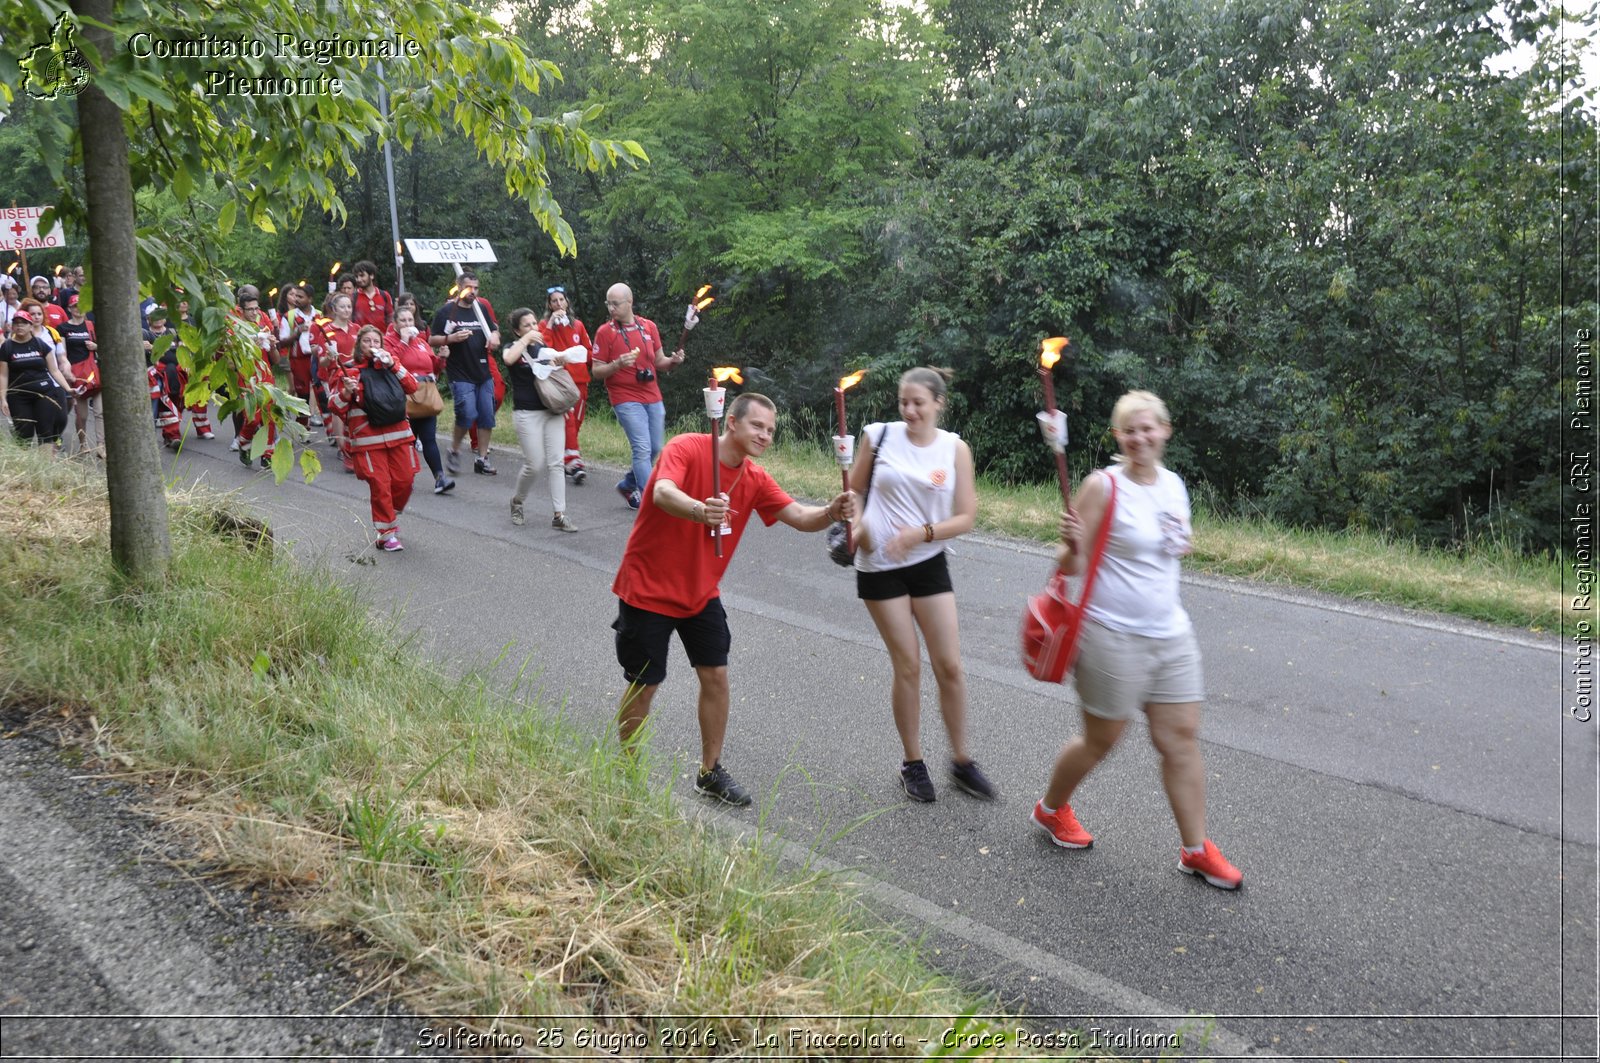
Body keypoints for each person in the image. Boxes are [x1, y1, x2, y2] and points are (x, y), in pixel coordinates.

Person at [1030, 390, 1241, 890]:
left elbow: (1173, 546)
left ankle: (1195, 850)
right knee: (1101, 741)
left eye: (1149, 428)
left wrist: (1177, 540)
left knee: (1180, 739)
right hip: (1111, 635)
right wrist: (1071, 545)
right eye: (1130, 429)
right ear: (1118, 437)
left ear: (1165, 431)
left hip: (1170, 633)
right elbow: (1069, 565)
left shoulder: (1173, 485)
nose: (1140, 437)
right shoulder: (1102, 487)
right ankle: (1050, 809)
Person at [611, 392, 856, 806]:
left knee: (716, 677)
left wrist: (831, 511)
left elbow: (798, 516)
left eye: (771, 430)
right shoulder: (687, 448)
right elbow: (662, 492)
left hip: (700, 593)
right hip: (647, 589)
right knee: (645, 683)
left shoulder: (755, 479)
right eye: (758, 425)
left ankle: (709, 772)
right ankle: (625, 771)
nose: (765, 435)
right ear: (731, 423)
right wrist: (697, 509)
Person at [849, 366, 995, 803]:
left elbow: (966, 517)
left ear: (938, 404)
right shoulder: (878, 437)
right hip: (878, 563)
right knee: (908, 663)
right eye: (903, 402)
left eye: (918, 403)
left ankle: (962, 760)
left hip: (927, 560)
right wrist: (855, 526)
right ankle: (912, 763)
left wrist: (921, 534)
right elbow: (853, 491)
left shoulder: (955, 449)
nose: (909, 411)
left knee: (949, 665)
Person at [590, 282, 685, 509]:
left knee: (655, 447)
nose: (611, 308)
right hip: (624, 396)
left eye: (616, 304)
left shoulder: (648, 327)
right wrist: (617, 364)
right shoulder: (605, 332)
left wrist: (673, 362)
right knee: (641, 448)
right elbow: (596, 371)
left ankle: (628, 484)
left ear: (629, 302)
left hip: (651, 394)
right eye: (608, 304)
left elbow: (659, 361)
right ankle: (652, 501)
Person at [327, 324, 421, 551]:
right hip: (368, 439)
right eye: (367, 342)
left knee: (405, 480)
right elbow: (335, 405)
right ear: (359, 345)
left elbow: (412, 386)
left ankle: (390, 511)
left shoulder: (391, 366)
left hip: (398, 434)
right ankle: (385, 534)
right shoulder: (348, 371)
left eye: (376, 342)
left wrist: (394, 364)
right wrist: (347, 392)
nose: (372, 346)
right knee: (380, 485)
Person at [501, 306, 585, 532]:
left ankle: (560, 514)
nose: (532, 328)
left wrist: (559, 361)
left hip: (552, 410)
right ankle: (517, 501)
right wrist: (526, 339)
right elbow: (509, 359)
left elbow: (554, 375)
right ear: (518, 331)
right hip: (527, 413)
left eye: (534, 324)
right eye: (526, 325)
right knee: (534, 464)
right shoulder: (512, 347)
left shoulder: (544, 347)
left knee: (556, 463)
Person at [430, 270, 501, 476]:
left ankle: (482, 458)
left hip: (482, 371)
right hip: (460, 372)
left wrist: (494, 337)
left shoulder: (480, 309)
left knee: (487, 416)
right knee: (467, 414)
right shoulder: (447, 311)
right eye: (469, 287)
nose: (473, 292)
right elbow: (432, 339)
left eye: (476, 288)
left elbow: (494, 329)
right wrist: (451, 339)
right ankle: (454, 449)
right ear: (459, 287)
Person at [384, 304, 454, 494]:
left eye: (410, 320)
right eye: (403, 320)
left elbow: (434, 370)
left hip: (426, 394)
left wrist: (442, 359)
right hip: (403, 396)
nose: (408, 324)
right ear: (395, 324)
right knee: (408, 441)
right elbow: (388, 362)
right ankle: (402, 479)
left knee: (429, 438)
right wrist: (404, 342)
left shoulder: (422, 342)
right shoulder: (389, 341)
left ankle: (440, 478)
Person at [536, 285, 593, 484]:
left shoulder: (577, 325)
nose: (559, 304)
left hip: (580, 379)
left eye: (561, 300)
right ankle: (574, 461)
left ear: (567, 302)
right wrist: (551, 323)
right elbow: (543, 348)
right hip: (560, 380)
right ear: (549, 305)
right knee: (567, 419)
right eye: (554, 301)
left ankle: (565, 454)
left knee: (576, 421)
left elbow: (587, 350)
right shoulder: (544, 324)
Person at [0, 309, 72, 446]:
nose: (20, 326)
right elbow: (3, 375)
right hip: (18, 396)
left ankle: (46, 465)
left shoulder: (40, 344)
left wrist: (68, 389)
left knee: (46, 431)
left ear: (31, 326)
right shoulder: (7, 347)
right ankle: (24, 465)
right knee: (24, 434)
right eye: (17, 323)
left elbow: (54, 370)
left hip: (44, 393)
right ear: (12, 327)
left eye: (24, 323)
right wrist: (3, 398)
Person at [58, 294, 105, 459]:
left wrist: (96, 346)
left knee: (100, 412)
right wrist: (66, 370)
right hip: (77, 375)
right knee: (82, 415)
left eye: (82, 305)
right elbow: (62, 352)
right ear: (69, 309)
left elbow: (104, 348)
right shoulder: (63, 328)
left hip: (95, 373)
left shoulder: (91, 325)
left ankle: (101, 445)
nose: (79, 309)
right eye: (75, 306)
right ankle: (83, 444)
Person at [351, 260, 393, 330]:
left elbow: (390, 319)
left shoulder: (385, 295)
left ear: (371, 275)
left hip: (381, 339)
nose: (358, 279)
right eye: (356, 276)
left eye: (362, 275)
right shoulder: (353, 297)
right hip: (362, 339)